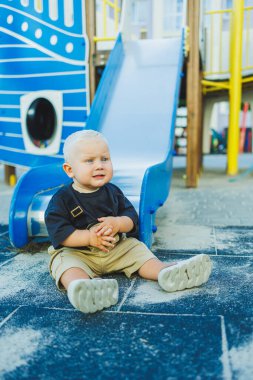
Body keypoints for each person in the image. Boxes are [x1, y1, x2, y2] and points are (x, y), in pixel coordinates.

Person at [45, 130, 212, 314]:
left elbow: (131, 218)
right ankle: (81, 286)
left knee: (136, 248)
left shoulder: (113, 192)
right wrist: (89, 238)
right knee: (64, 263)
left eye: (105, 159)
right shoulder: (62, 199)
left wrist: (118, 223)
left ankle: (165, 272)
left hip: (116, 250)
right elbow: (60, 232)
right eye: (90, 161)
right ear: (70, 170)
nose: (99, 165)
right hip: (80, 253)